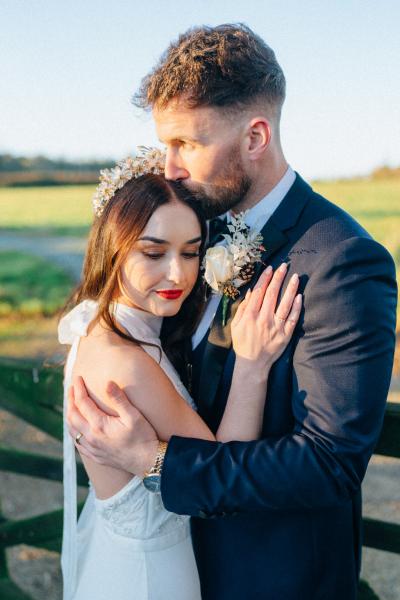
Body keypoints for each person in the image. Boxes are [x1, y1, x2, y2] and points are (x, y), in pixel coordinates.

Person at [67, 24, 398, 600]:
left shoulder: (344, 262)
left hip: (271, 578)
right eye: (163, 143)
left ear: (255, 136)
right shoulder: (192, 232)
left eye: (185, 144)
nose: (167, 166)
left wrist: (155, 462)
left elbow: (329, 463)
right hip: (178, 568)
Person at [60, 150, 302, 600]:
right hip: (149, 579)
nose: (178, 273)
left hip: (123, 563)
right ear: (112, 248)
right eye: (154, 252)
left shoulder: (103, 326)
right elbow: (219, 477)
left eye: (191, 253)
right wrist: (252, 364)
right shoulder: (125, 361)